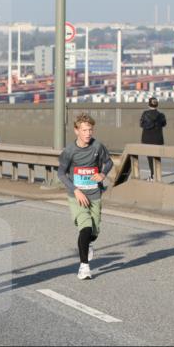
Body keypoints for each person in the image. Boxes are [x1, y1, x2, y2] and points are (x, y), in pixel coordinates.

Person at [57, 113, 113, 280]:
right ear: (76, 131)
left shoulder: (97, 147)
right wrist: (75, 190)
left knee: (94, 232)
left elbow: (109, 162)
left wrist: (103, 174)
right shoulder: (70, 151)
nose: (88, 133)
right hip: (77, 196)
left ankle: (88, 243)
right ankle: (84, 267)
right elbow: (61, 173)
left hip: (95, 193)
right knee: (85, 227)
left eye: (90, 130)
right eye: (84, 130)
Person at [140, 97, 167, 181]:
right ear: (157, 105)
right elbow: (164, 124)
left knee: (150, 158)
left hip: (147, 139)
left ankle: (152, 176)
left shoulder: (145, 114)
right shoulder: (161, 115)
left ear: (149, 104)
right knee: (157, 158)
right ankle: (156, 175)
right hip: (158, 139)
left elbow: (141, 124)